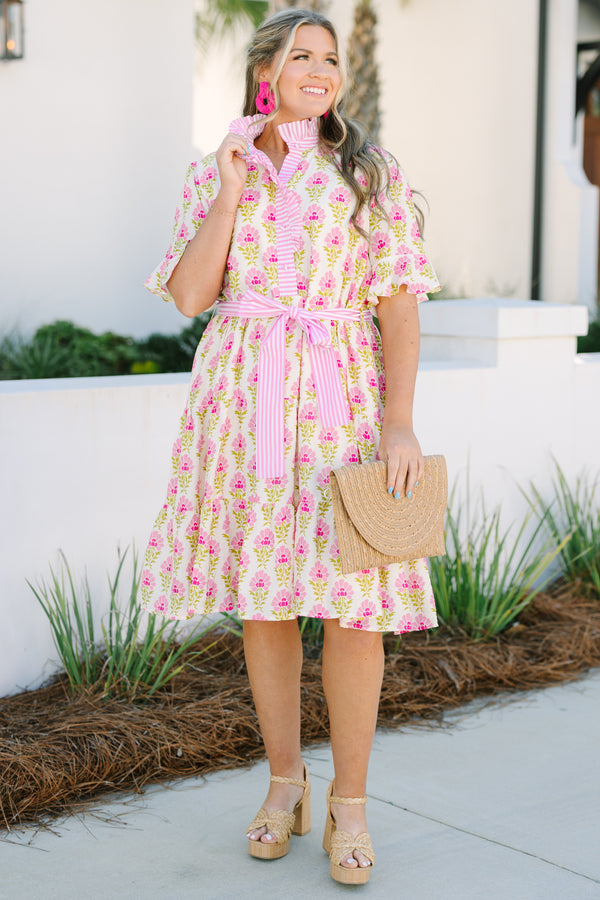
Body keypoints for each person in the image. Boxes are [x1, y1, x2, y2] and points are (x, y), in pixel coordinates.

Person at [139, 7, 440, 886]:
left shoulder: (368, 171)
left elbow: (399, 307)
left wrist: (399, 420)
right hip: (243, 410)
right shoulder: (218, 168)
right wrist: (231, 187)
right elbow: (191, 295)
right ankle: (283, 787)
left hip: (345, 407)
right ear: (265, 72)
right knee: (264, 605)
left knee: (355, 611)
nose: (319, 69)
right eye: (301, 55)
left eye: (330, 58)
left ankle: (349, 804)